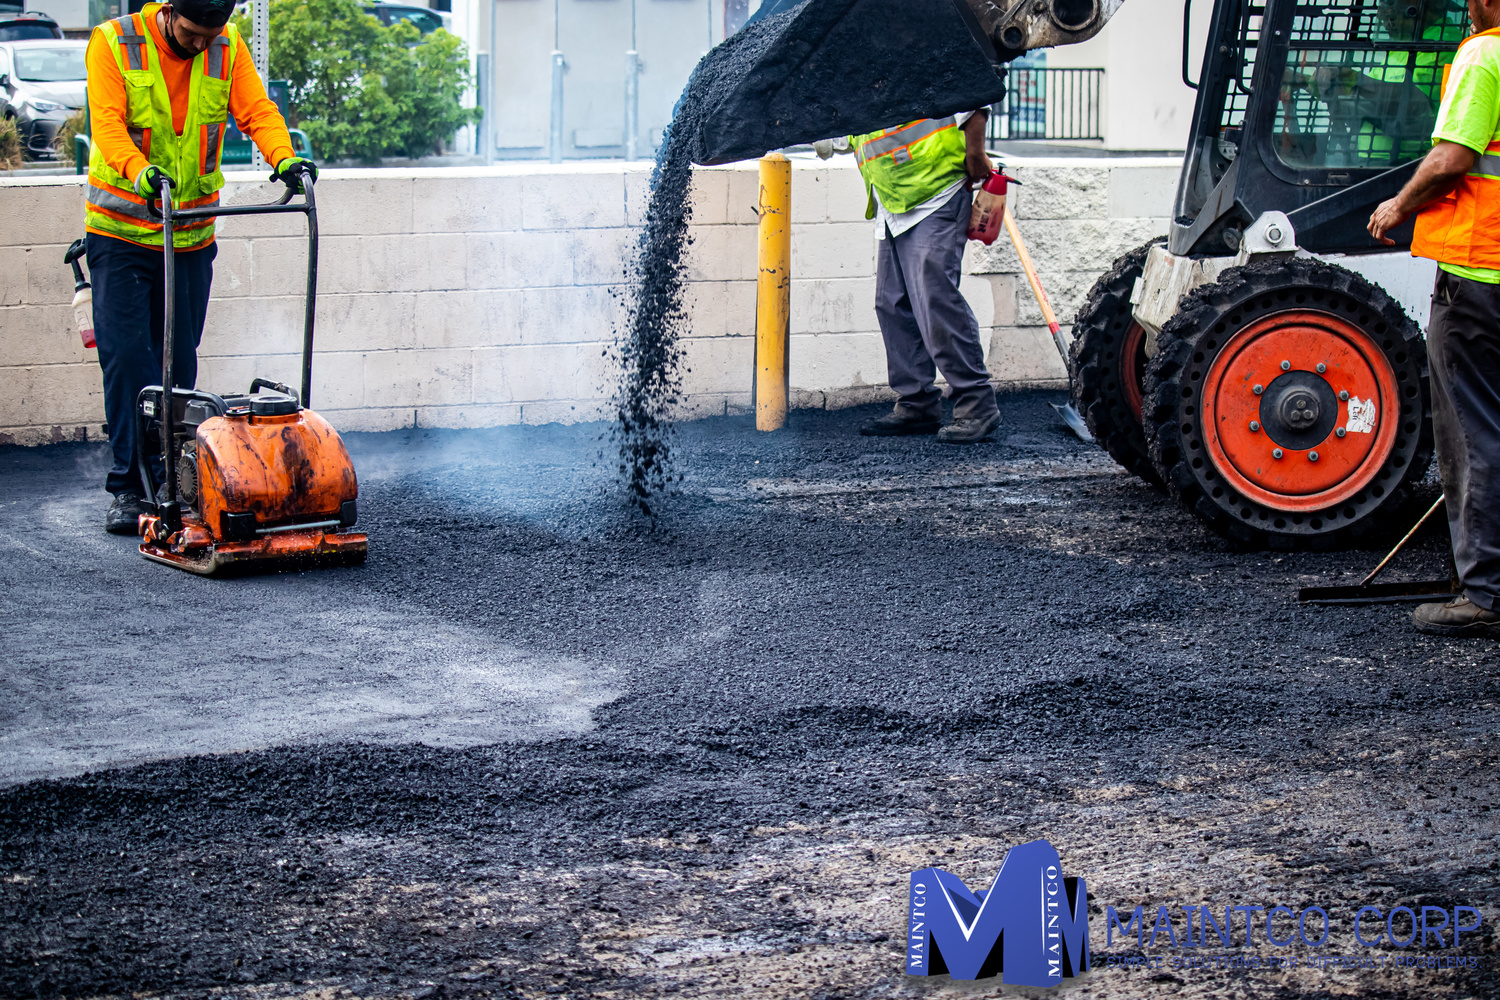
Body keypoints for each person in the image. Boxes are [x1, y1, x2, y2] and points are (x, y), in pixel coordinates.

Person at [85, 0, 316, 533]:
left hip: (190, 234)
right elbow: (109, 127)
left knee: (177, 364)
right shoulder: (115, 42)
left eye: (209, 35)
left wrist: (282, 157)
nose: (199, 44)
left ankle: (172, 476)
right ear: (169, 12)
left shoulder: (227, 46)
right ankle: (127, 486)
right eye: (191, 33)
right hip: (121, 234)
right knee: (127, 361)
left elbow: (256, 111)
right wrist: (140, 173)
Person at [1368, 0, 1500, 637]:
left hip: (1480, 274)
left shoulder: (1485, 53)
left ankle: (1484, 594)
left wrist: (1398, 204)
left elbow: (1453, 159)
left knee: (1475, 432)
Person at [827, 110, 1001, 443]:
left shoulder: (918, 57)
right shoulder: (859, 77)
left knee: (934, 298)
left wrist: (975, 150)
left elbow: (973, 93)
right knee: (891, 302)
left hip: (936, 190)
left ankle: (977, 404)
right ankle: (917, 403)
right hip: (895, 199)